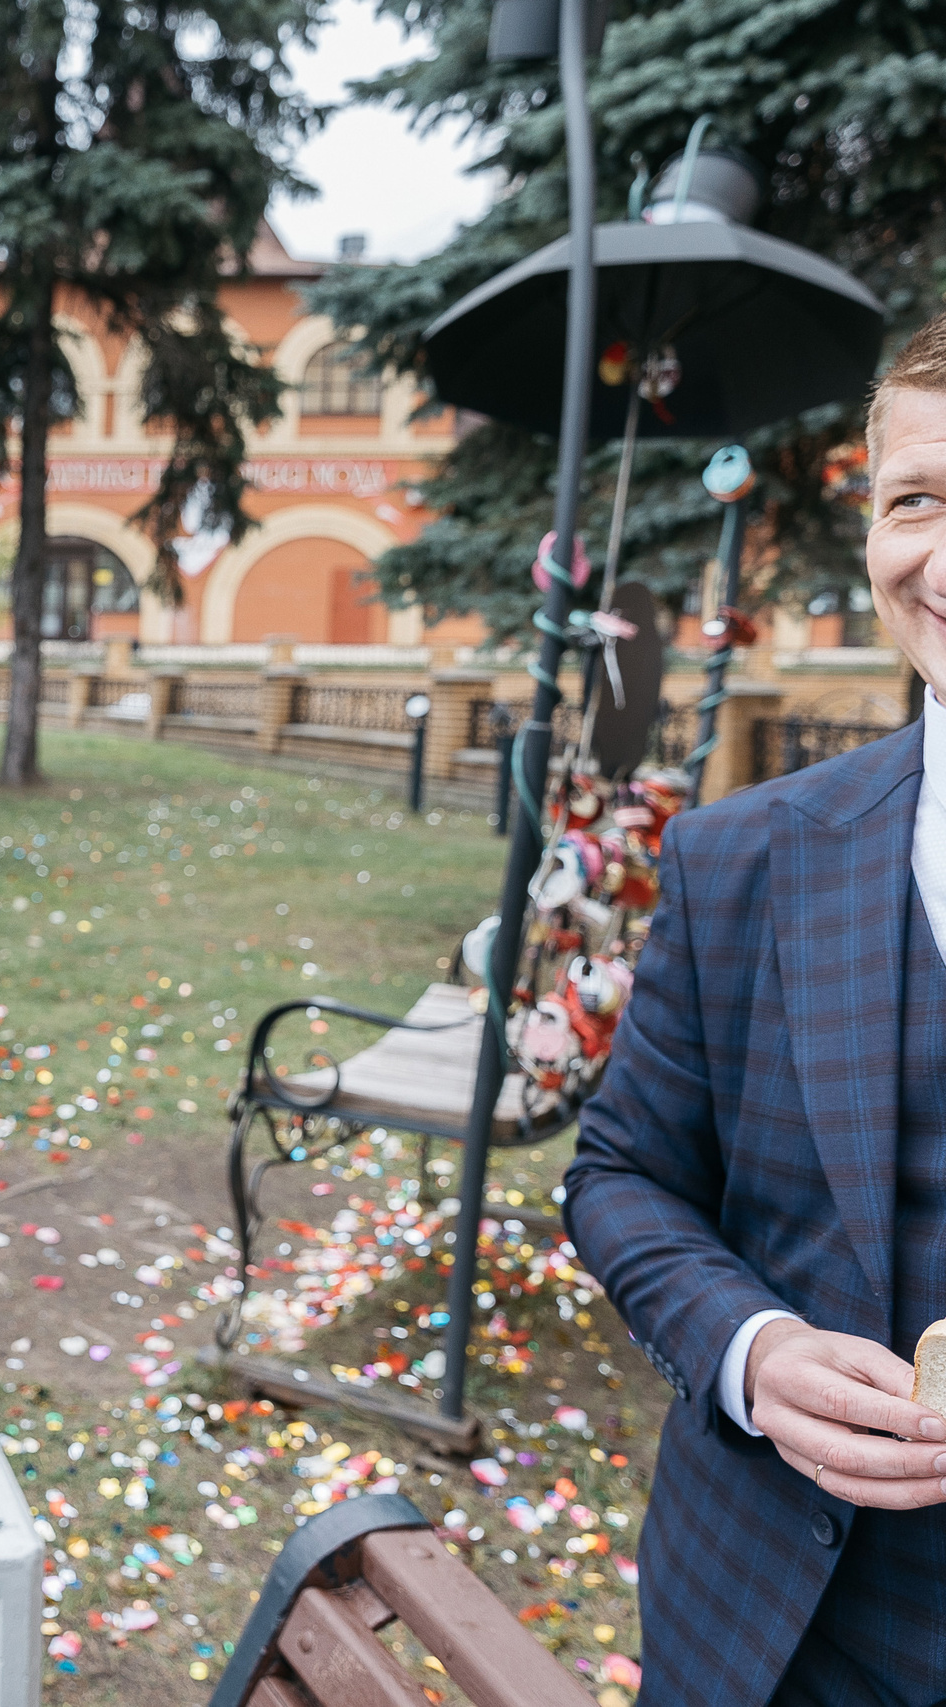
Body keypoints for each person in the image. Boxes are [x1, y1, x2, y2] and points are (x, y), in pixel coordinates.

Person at [568, 309, 946, 1707]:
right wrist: (753, 1348)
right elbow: (624, 1176)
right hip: (767, 1627)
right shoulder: (741, 856)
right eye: (919, 500)